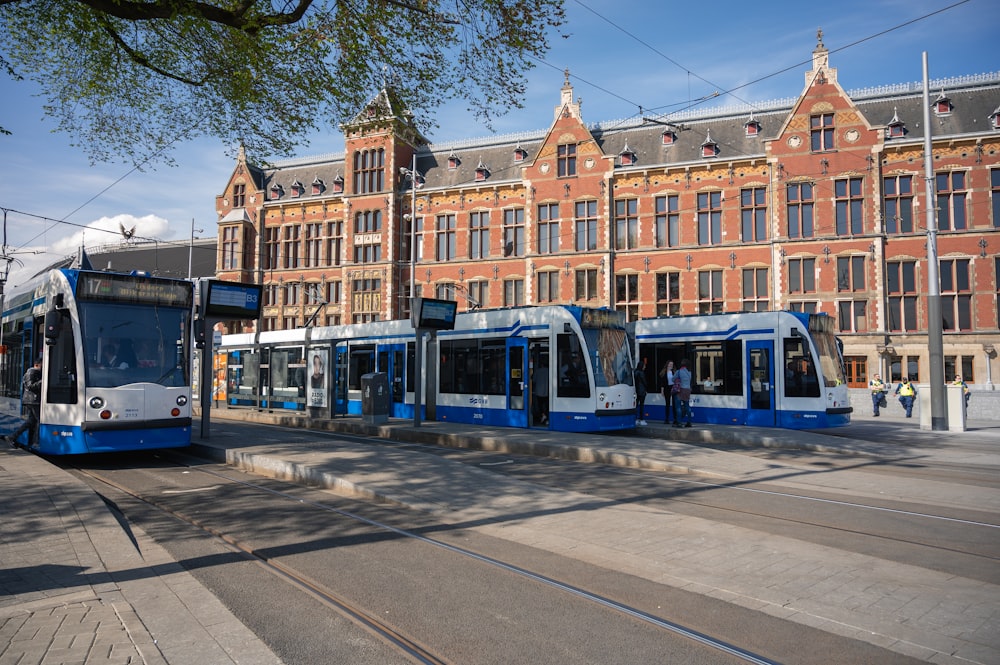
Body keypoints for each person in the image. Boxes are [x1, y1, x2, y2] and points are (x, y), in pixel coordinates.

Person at [8, 357, 42, 448]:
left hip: (32, 400)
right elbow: (30, 386)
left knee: (31, 421)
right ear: (37, 364)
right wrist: (43, 381)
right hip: (32, 400)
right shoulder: (31, 372)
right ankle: (36, 442)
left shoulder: (35, 372)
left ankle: (13, 437)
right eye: (42, 365)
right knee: (39, 420)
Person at [532, 358, 550, 425]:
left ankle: (542, 415)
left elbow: (533, 380)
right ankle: (546, 416)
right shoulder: (549, 371)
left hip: (539, 391)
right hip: (547, 391)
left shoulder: (538, 371)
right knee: (547, 405)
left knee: (540, 405)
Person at [676, 359, 693, 427]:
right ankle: (689, 422)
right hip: (688, 390)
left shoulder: (679, 371)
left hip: (681, 390)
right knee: (687, 405)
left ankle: (679, 422)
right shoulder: (689, 372)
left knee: (678, 406)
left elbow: (673, 379)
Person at [634, 358, 648, 426]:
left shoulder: (635, 372)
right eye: (644, 366)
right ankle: (641, 419)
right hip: (642, 391)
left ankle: (635, 419)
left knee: (636, 405)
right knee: (642, 405)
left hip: (636, 391)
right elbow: (644, 382)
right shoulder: (641, 373)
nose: (645, 367)